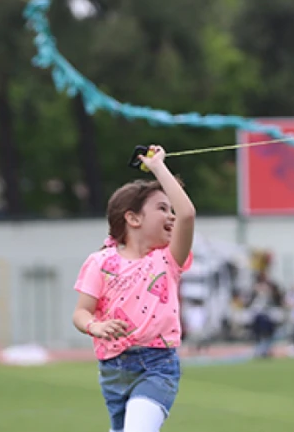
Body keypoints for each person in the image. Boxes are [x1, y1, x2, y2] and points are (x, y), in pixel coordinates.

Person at [72, 145, 196, 432]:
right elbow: (80, 312)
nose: (172, 216)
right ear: (133, 218)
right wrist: (95, 327)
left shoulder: (167, 259)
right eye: (162, 209)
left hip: (157, 366)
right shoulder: (99, 262)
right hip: (113, 371)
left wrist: (158, 168)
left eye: (170, 208)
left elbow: (187, 214)